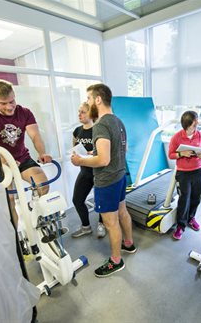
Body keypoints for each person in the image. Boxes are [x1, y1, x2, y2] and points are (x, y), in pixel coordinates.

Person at [70, 83, 136, 278]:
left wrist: (81, 160)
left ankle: (116, 261)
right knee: (122, 212)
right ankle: (129, 244)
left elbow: (103, 160)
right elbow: (122, 150)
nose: (88, 103)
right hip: (120, 176)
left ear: (98, 99)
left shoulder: (100, 125)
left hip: (107, 180)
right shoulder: (118, 122)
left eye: (89, 99)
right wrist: (95, 153)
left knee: (110, 222)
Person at [0, 79, 52, 226]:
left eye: (12, 101)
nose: (9, 107)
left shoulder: (24, 112)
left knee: (43, 184)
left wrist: (42, 153)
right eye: (3, 103)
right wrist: (6, 160)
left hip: (22, 158)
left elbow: (35, 135)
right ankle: (16, 239)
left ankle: (35, 216)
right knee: (9, 200)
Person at [168, 111, 201, 240]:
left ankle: (191, 218)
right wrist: (181, 154)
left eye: (196, 123)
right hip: (184, 173)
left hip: (198, 170)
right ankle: (180, 226)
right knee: (184, 199)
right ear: (186, 124)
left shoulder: (200, 135)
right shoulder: (177, 137)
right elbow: (171, 155)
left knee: (196, 198)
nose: (196, 125)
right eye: (193, 124)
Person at [70, 102, 106, 238]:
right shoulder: (77, 131)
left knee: (101, 202)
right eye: (79, 112)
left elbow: (105, 154)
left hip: (99, 172)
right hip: (85, 172)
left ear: (91, 114)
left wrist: (94, 153)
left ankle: (102, 224)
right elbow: (74, 147)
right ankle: (86, 227)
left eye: (83, 112)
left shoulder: (99, 130)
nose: (79, 114)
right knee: (77, 200)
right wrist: (75, 156)